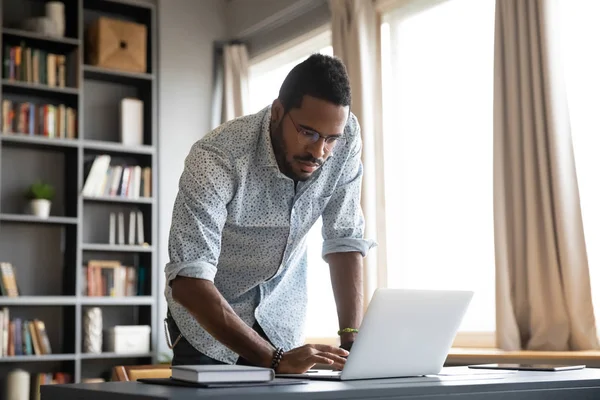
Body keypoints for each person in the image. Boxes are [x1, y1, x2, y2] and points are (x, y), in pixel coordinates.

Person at [164, 53, 375, 374]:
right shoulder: (217, 157)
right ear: (278, 112)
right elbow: (188, 279)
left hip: (283, 324)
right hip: (208, 334)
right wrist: (273, 359)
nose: (320, 151)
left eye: (331, 138)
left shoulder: (345, 139)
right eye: (308, 133)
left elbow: (344, 238)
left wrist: (351, 340)